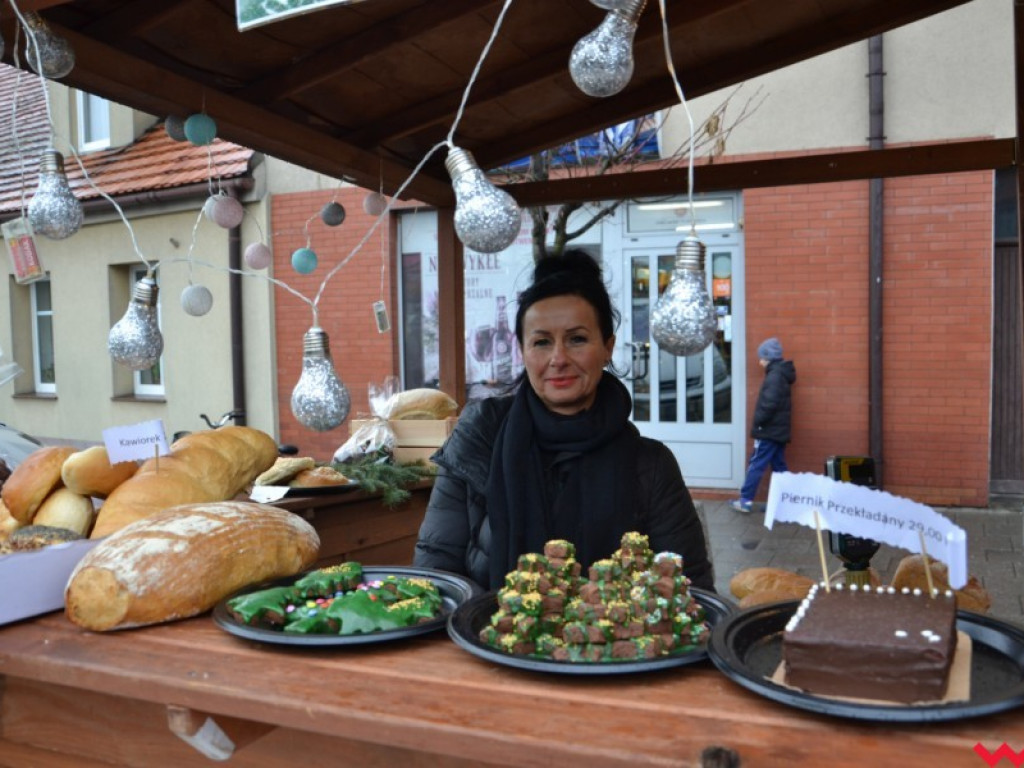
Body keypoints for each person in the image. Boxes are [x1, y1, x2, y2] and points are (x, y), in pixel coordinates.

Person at [413, 250, 715, 592]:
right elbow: (435, 576)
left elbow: (691, 592)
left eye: (577, 339)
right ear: (523, 350)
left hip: (614, 645)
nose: (558, 358)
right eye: (541, 342)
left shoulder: (650, 465)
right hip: (484, 640)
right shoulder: (481, 436)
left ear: (608, 347)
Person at [731, 337, 796, 513]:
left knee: (756, 464)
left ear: (768, 358)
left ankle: (745, 500)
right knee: (779, 466)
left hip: (768, 430)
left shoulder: (774, 376)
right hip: (778, 430)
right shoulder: (780, 374)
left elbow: (769, 404)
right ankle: (786, 503)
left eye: (761, 358)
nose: (759, 361)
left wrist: (758, 422)